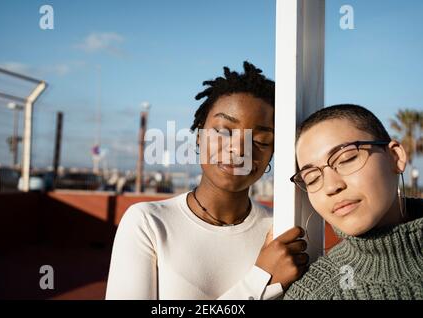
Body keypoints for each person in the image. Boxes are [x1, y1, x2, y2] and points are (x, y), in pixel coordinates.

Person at [105, 62, 308, 300]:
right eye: (223, 131)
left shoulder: (281, 232)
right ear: (199, 136)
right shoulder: (149, 223)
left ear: (272, 153)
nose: (238, 149)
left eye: (261, 140)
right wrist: (261, 281)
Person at [285, 104, 423, 300]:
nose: (331, 186)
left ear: (395, 156)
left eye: (346, 159)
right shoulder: (313, 294)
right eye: (312, 178)